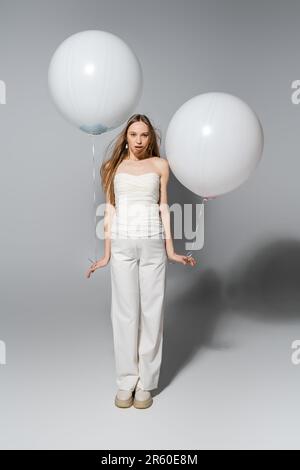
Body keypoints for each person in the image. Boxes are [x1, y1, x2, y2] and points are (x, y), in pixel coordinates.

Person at [86, 114, 196, 409]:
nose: (138, 140)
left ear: (151, 138)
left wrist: (171, 250)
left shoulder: (161, 166)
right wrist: (106, 254)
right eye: (133, 134)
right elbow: (109, 210)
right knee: (124, 313)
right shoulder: (112, 167)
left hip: (152, 246)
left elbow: (164, 207)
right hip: (122, 244)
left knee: (151, 312)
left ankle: (146, 383)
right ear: (125, 136)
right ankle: (126, 381)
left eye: (144, 135)